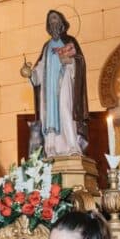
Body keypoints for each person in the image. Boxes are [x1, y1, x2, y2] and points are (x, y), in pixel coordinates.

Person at [30, 10, 89, 157]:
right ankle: (51, 148)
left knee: (65, 109)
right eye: (50, 20)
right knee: (49, 115)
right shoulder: (47, 46)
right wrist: (31, 73)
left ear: (62, 22)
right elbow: (40, 67)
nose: (53, 22)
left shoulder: (70, 41)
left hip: (64, 81)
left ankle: (72, 146)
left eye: (55, 18)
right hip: (48, 89)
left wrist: (69, 60)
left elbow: (79, 61)